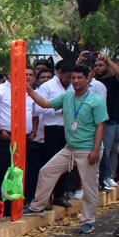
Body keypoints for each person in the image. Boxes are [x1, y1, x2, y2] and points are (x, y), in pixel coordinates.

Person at [24, 64, 109, 234]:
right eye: (73, 78)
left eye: (79, 78)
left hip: (87, 149)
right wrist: (31, 91)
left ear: (87, 79)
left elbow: (101, 126)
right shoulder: (68, 96)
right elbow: (46, 104)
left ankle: (87, 221)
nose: (75, 81)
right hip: (70, 148)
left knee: (89, 186)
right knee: (46, 171)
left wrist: (95, 150)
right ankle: (37, 206)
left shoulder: (96, 101)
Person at [0, 67, 37, 212]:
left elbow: (34, 113)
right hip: (6, 135)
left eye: (30, 75)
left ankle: (13, 205)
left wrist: (33, 131)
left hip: (24, 137)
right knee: (2, 170)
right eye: (23, 74)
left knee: (19, 172)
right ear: (9, 74)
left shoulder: (30, 92)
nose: (26, 77)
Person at [33, 60, 75, 205]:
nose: (70, 80)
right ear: (60, 73)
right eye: (68, 77)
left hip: (69, 129)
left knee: (66, 164)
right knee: (50, 164)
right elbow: (39, 109)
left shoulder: (73, 87)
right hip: (52, 129)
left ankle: (59, 195)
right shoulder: (47, 87)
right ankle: (47, 197)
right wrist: (60, 109)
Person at [94, 54, 119, 190]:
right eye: (96, 65)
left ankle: (110, 176)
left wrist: (107, 60)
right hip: (103, 121)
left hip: (114, 119)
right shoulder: (91, 81)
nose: (98, 68)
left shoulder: (113, 80)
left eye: (101, 65)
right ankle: (103, 177)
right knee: (105, 151)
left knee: (114, 150)